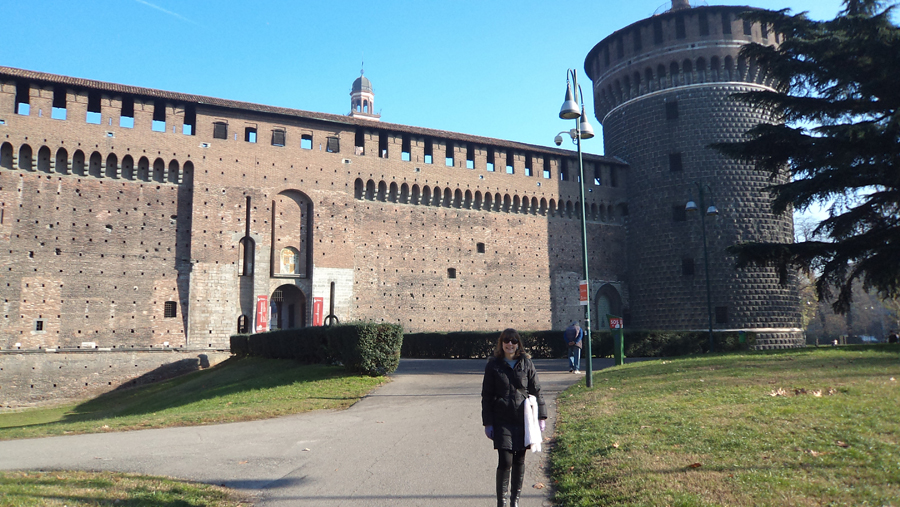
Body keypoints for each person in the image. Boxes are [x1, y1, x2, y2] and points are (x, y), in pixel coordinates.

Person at [482, 329, 548, 507]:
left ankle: (514, 501)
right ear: (501, 343)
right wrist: (488, 422)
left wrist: (541, 416)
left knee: (519, 459)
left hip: (524, 418)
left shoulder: (526, 363)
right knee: (505, 460)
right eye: (506, 341)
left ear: (518, 344)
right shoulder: (493, 365)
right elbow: (486, 395)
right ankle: (501, 503)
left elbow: (536, 390)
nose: (510, 344)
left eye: (513, 341)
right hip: (502, 418)